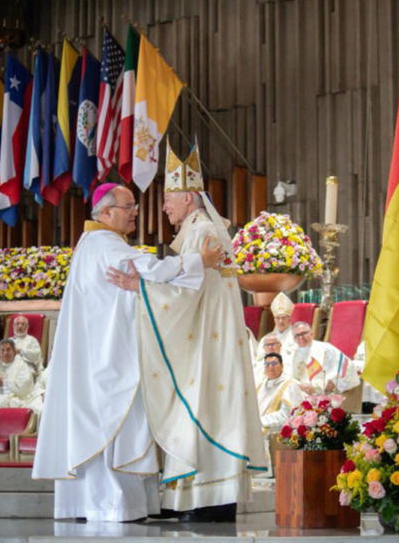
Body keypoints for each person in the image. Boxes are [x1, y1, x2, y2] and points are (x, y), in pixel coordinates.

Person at [31, 182, 224, 523]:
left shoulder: (92, 244)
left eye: (135, 206)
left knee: (108, 428)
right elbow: (150, 269)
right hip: (110, 358)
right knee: (116, 425)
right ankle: (114, 506)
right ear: (106, 213)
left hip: (102, 353)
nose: (136, 212)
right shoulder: (104, 244)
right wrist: (200, 261)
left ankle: (101, 506)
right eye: (129, 206)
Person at [108, 141, 267, 522]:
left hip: (204, 338)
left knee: (200, 408)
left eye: (168, 198)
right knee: (205, 409)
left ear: (188, 198)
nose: (164, 207)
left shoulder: (202, 230)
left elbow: (183, 295)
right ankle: (199, 498)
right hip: (208, 334)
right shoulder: (202, 229)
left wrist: (141, 289)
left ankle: (205, 500)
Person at [255, 352, 303, 477]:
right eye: (267, 364)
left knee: (256, 432)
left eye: (274, 363)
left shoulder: (289, 385)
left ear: (281, 366)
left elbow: (287, 415)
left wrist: (260, 421)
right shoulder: (260, 386)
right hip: (257, 423)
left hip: (274, 427)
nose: (270, 367)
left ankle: (261, 472)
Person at [291, 321, 360, 395]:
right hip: (298, 393)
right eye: (297, 335)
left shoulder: (326, 349)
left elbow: (346, 366)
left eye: (304, 333)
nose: (301, 337)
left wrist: (332, 382)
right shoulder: (292, 353)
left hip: (322, 394)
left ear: (311, 333)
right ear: (294, 339)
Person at [0, 338, 35, 413]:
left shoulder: (21, 364)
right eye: (2, 350)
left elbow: (25, 385)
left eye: (8, 350)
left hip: (14, 399)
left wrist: (3, 383)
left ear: (14, 351)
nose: (5, 353)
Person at [256, 293, 295, 368]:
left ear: (289, 320)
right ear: (274, 320)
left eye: (283, 318)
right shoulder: (266, 339)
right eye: (278, 318)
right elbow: (259, 358)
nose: (280, 321)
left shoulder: (296, 337)